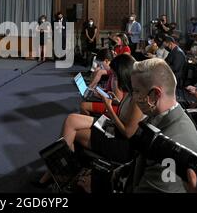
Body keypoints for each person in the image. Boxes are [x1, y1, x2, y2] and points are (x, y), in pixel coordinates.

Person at [36, 55, 143, 188]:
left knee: (71, 128)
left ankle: (57, 172)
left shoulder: (137, 98)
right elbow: (123, 113)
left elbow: (128, 133)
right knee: (71, 120)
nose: (113, 79)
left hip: (120, 143)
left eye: (115, 76)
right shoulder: (131, 93)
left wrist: (109, 107)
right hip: (113, 129)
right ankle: (59, 171)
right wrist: (114, 101)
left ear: (123, 74)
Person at [125, 58, 197, 193]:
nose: (134, 97)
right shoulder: (159, 118)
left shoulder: (173, 146)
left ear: (155, 94)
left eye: (137, 91)